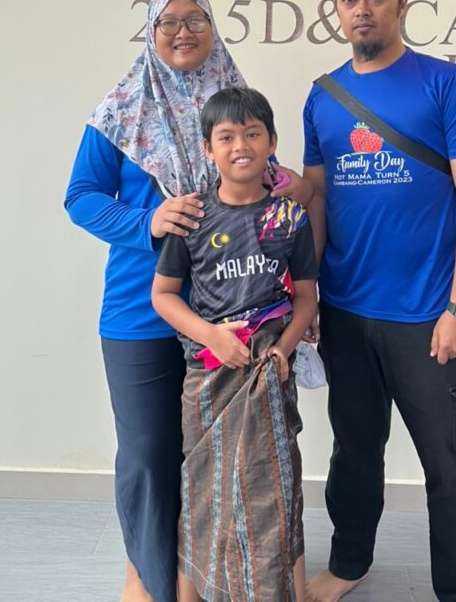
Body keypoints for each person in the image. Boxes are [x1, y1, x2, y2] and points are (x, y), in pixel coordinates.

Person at [64, 0, 310, 602]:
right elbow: (81, 198)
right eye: (169, 21)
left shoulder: (233, 106)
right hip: (142, 309)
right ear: (150, 32)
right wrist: (146, 221)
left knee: (219, 455)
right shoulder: (119, 113)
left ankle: (209, 574)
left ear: (213, 29)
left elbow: (272, 191)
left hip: (234, 317)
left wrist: (287, 191)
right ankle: (145, 576)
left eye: (196, 19)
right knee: (149, 453)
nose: (183, 31)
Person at [303, 0, 456, 602]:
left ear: (402, 4)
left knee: (450, 466)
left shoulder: (446, 85)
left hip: (429, 318)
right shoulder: (323, 97)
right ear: (337, 9)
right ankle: (348, 564)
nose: (362, 9)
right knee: (354, 453)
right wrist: (308, 298)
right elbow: (317, 200)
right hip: (347, 313)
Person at [152, 87, 318, 602]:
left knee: (276, 489)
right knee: (203, 487)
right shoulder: (192, 217)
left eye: (252, 134)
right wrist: (212, 337)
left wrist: (282, 349)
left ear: (272, 142)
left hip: (267, 374)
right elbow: (164, 295)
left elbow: (307, 298)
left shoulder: (289, 217)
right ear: (208, 148)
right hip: (207, 376)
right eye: (226, 137)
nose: (240, 146)